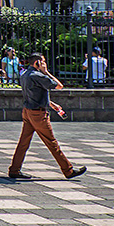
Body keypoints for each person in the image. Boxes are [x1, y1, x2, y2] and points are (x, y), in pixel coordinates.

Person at [8, 52, 86, 180]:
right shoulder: (38, 75)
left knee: (23, 142)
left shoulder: (25, 74)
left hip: (28, 111)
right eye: (43, 61)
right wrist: (47, 72)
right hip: (38, 114)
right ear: (37, 62)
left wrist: (50, 103)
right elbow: (59, 86)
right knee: (51, 142)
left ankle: (14, 170)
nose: (45, 63)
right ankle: (68, 171)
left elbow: (33, 93)